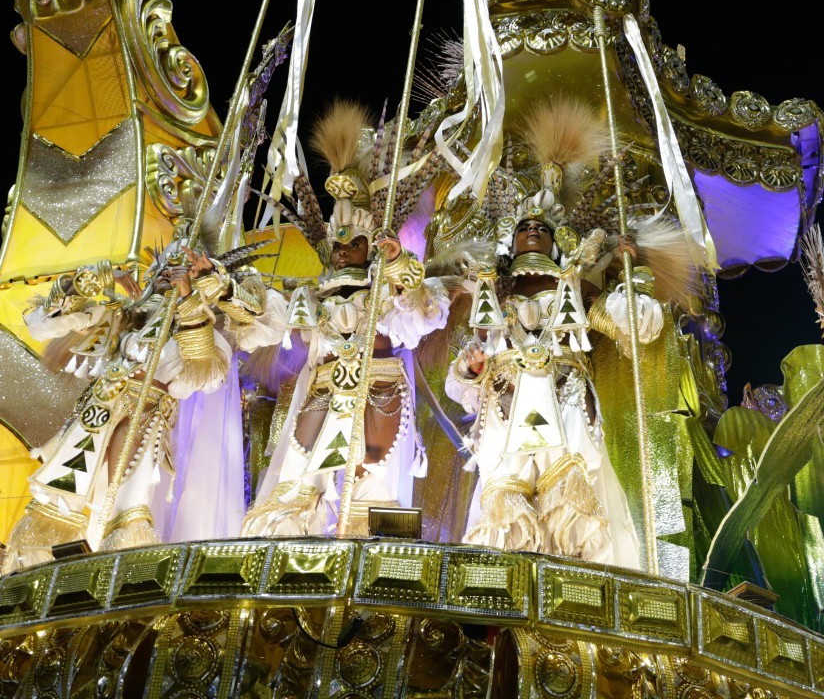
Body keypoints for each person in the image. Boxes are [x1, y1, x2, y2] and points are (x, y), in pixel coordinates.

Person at [442, 95, 687, 568]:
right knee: (501, 529)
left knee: (577, 527)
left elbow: (640, 328)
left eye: (541, 228)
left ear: (559, 244)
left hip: (568, 422)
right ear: (508, 244)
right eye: (524, 227)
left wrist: (631, 278)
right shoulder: (494, 305)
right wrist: (471, 370)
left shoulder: (581, 297)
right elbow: (460, 388)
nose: (532, 230)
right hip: (504, 431)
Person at [241, 100, 449, 537]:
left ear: (371, 245)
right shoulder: (312, 298)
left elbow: (424, 314)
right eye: (336, 245)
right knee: (299, 491)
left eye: (351, 243)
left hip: (379, 391)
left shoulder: (386, 298)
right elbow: (266, 320)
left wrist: (397, 267)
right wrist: (228, 292)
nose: (340, 251)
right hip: (322, 394)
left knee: (371, 503)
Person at [1, 245, 266, 572]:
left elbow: (205, 371)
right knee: (62, 494)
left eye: (180, 269)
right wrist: (90, 279)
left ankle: (120, 572)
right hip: (96, 412)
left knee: (128, 502)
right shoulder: (122, 316)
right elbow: (47, 324)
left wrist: (187, 301)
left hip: (148, 413)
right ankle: (36, 568)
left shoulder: (198, 328)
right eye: (162, 268)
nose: (168, 273)